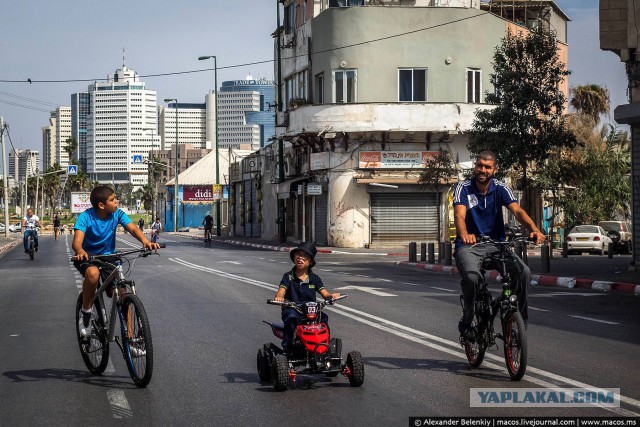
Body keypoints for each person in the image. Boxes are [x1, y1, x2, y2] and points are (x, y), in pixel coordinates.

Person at [453, 151, 545, 338]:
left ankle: (521, 321)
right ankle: (468, 318)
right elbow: (459, 215)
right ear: (475, 166)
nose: (483, 170)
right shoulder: (463, 187)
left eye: (487, 167)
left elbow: (517, 211)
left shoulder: (501, 188)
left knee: (523, 272)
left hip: (497, 245)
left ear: (495, 170)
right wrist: (465, 234)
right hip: (469, 246)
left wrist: (533, 229)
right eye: (480, 165)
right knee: (471, 278)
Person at [73, 185, 159, 338]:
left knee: (122, 293)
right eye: (112, 200)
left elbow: (132, 228)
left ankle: (131, 338)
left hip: (109, 257)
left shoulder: (117, 214)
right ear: (101, 205)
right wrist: (80, 251)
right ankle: (86, 312)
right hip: (88, 257)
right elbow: (77, 241)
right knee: (92, 273)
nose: (116, 202)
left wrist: (145, 242)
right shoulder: (85, 217)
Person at [273, 242, 340, 357]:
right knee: (291, 319)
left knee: (324, 318)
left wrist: (331, 296)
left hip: (310, 310)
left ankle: (324, 348)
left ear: (311, 262)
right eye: (298, 255)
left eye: (304, 256)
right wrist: (279, 297)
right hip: (292, 308)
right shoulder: (288, 276)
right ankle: (287, 347)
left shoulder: (314, 278)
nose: (300, 258)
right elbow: (281, 290)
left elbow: (325, 294)